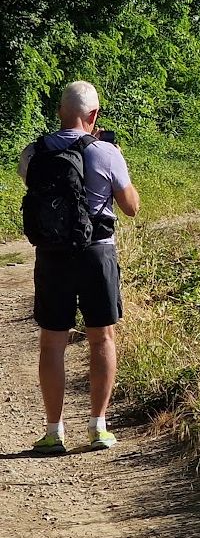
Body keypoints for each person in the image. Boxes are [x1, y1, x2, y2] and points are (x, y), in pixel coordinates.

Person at [18, 81, 140, 454]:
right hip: (96, 253)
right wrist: (118, 159)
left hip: (52, 255)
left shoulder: (32, 153)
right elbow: (131, 207)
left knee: (52, 341)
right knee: (101, 337)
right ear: (94, 115)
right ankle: (98, 427)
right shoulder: (106, 153)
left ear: (60, 112)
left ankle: (54, 431)